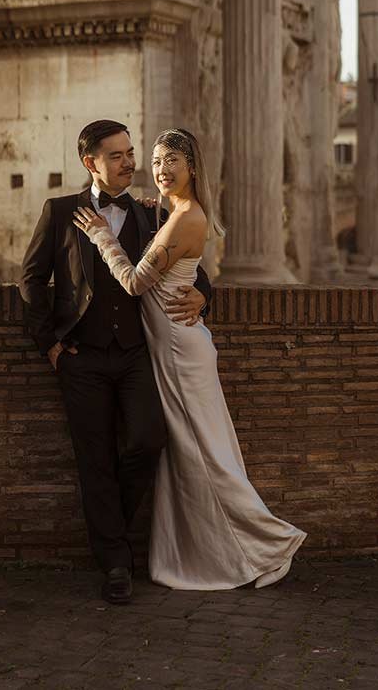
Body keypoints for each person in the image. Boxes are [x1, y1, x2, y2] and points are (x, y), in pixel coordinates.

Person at [72, 127, 306, 591]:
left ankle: (267, 542)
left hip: (180, 349)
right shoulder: (167, 212)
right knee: (189, 455)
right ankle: (208, 553)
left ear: (192, 167)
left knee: (205, 454)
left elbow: (137, 283)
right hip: (168, 345)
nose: (159, 170)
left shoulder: (185, 218)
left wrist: (102, 238)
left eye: (170, 161)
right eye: (155, 161)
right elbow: (187, 268)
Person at [20, 120, 212, 604]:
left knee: (149, 439)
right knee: (94, 460)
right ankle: (115, 564)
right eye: (118, 155)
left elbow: (195, 263)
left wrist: (204, 297)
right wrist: (51, 345)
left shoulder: (151, 214)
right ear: (91, 163)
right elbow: (30, 279)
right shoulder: (61, 211)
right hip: (80, 359)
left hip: (135, 356)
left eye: (132, 153)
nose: (131, 162)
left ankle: (113, 536)